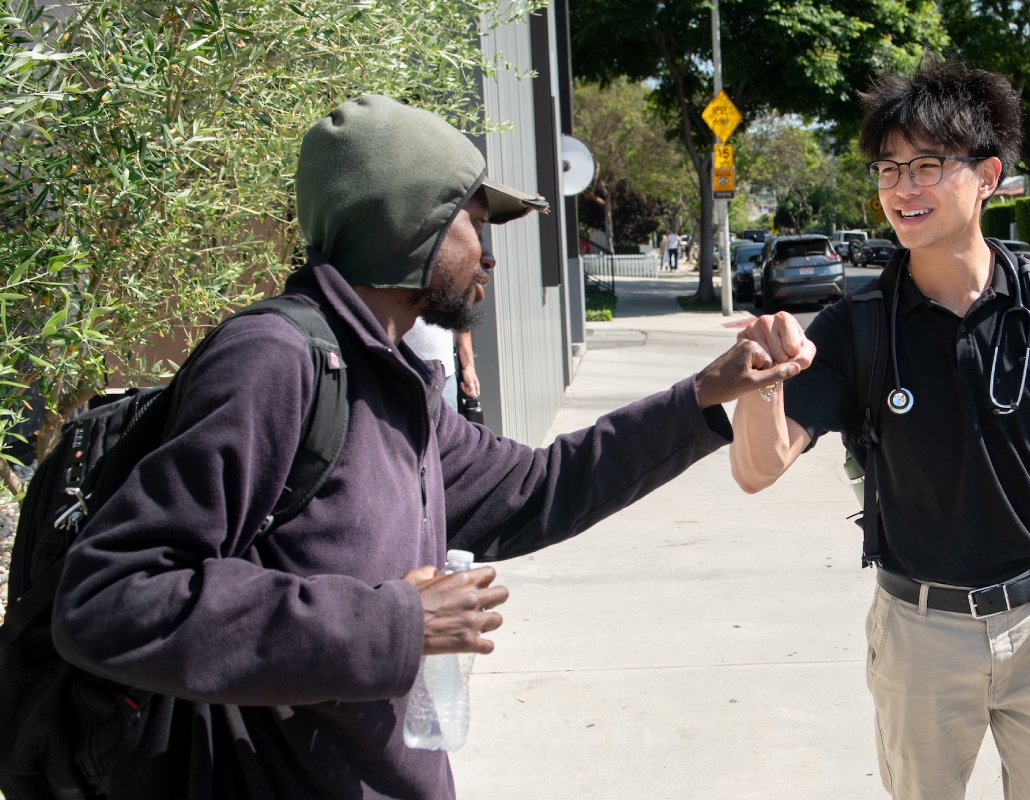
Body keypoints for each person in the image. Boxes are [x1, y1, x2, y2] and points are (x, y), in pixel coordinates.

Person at [51, 95, 799, 799]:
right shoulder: (274, 362)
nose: (492, 258)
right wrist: (393, 625)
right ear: (416, 223)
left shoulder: (393, 380)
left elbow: (534, 487)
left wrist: (704, 392)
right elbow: (113, 596)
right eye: (478, 224)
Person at [728, 60, 1030, 799]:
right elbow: (758, 469)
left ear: (987, 176)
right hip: (921, 630)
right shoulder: (855, 326)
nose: (901, 188)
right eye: (889, 169)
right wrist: (760, 383)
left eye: (926, 165)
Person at [402, 321, 478, 410]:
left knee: (449, 422)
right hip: (403, 373)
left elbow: (461, 317)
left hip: (446, 376)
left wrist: (468, 367)